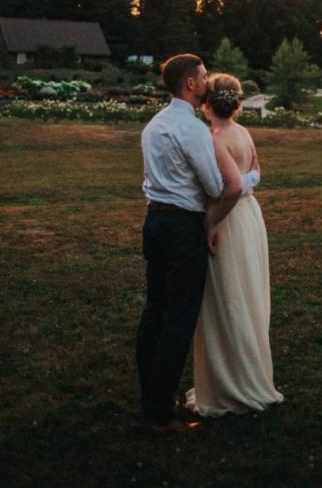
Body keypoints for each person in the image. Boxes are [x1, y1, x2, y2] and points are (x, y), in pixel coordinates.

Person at [135, 54, 261, 435]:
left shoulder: (154, 125)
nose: (208, 82)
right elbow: (217, 186)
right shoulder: (190, 129)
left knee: (154, 309)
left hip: (154, 220)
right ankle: (160, 415)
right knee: (179, 318)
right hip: (182, 225)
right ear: (190, 83)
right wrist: (250, 179)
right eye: (204, 77)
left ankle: (151, 393)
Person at [186, 73, 284, 417]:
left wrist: (213, 222)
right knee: (246, 293)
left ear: (207, 102)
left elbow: (229, 188)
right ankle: (248, 372)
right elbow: (254, 172)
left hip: (228, 220)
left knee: (226, 298)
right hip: (250, 218)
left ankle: (230, 384)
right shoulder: (243, 133)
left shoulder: (214, 138)